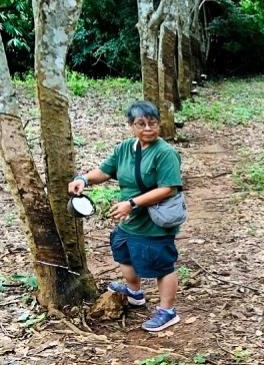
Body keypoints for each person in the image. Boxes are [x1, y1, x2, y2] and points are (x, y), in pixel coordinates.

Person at [68, 100, 184, 332]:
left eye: (153, 123)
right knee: (124, 252)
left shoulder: (165, 153)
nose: (148, 128)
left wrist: (131, 203)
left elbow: (168, 188)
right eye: (141, 124)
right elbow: (104, 171)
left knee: (162, 264)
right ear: (131, 126)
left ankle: (167, 311)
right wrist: (84, 179)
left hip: (154, 221)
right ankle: (134, 293)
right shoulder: (124, 149)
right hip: (129, 221)